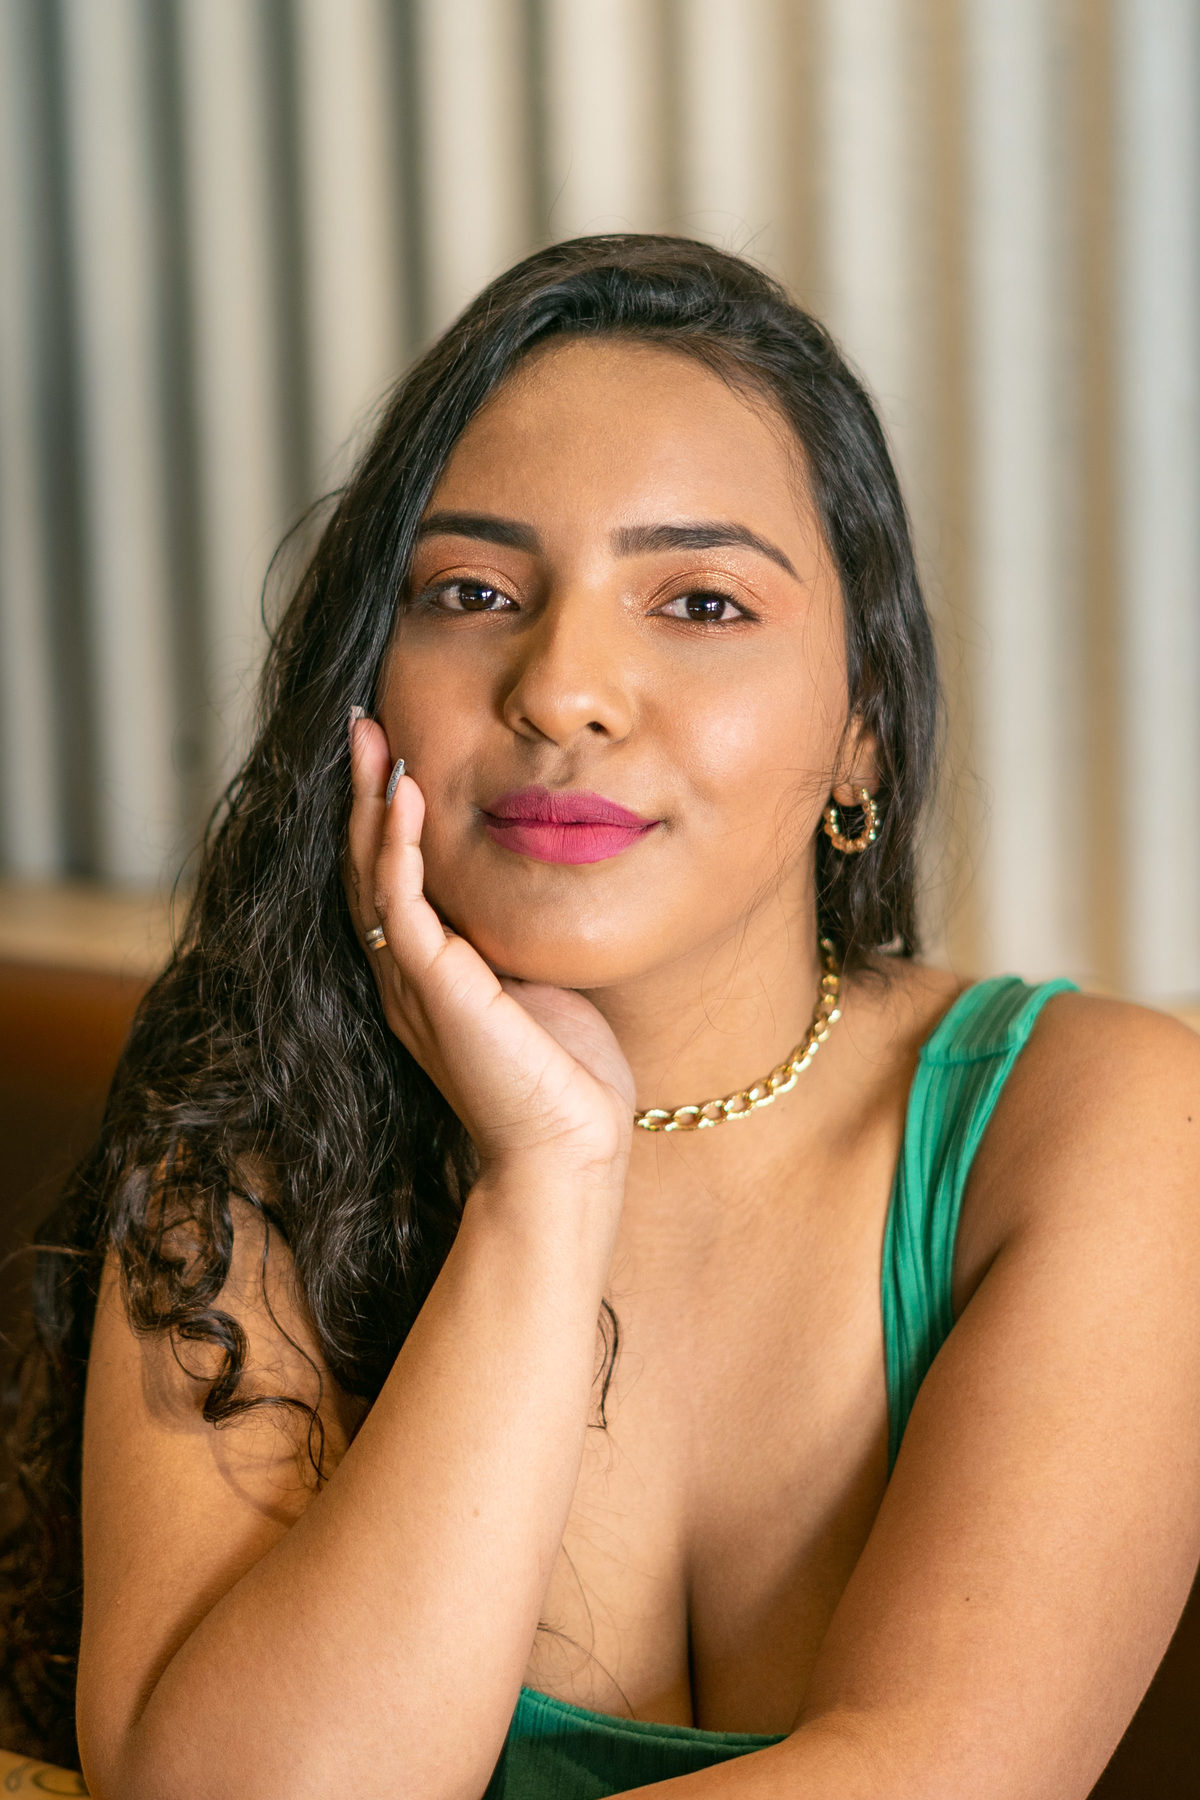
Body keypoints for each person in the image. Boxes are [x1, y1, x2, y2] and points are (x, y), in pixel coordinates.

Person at [3, 235, 1198, 1800]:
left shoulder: (1107, 1123)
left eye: (700, 602)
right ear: (367, 690)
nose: (564, 687)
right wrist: (547, 1180)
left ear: (862, 733)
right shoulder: (246, 1141)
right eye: (472, 591)